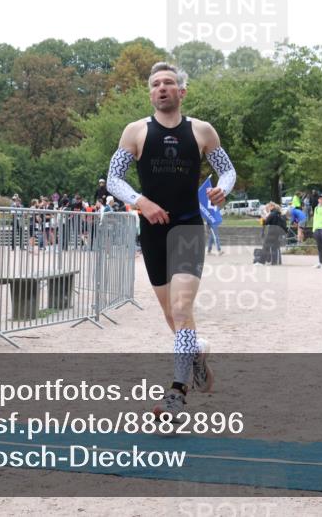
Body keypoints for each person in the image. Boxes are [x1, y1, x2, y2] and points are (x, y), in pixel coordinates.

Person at [106, 61, 236, 418]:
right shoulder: (135, 132)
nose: (161, 88)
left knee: (181, 309)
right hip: (152, 232)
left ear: (182, 91)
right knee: (172, 316)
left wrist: (222, 188)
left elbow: (226, 168)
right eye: (155, 84)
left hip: (188, 228)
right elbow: (113, 178)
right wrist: (140, 201)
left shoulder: (201, 131)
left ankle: (176, 395)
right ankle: (196, 351)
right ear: (150, 92)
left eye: (169, 83)